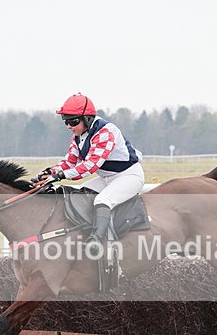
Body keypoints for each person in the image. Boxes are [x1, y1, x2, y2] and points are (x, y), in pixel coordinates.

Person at [33, 93, 145, 246]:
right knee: (78, 194)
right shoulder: (78, 137)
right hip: (106, 178)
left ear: (87, 118)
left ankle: (97, 241)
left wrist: (59, 176)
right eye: (65, 122)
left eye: (73, 121)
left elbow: (90, 166)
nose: (69, 127)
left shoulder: (105, 132)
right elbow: (69, 162)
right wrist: (49, 173)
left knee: (102, 200)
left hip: (129, 176)